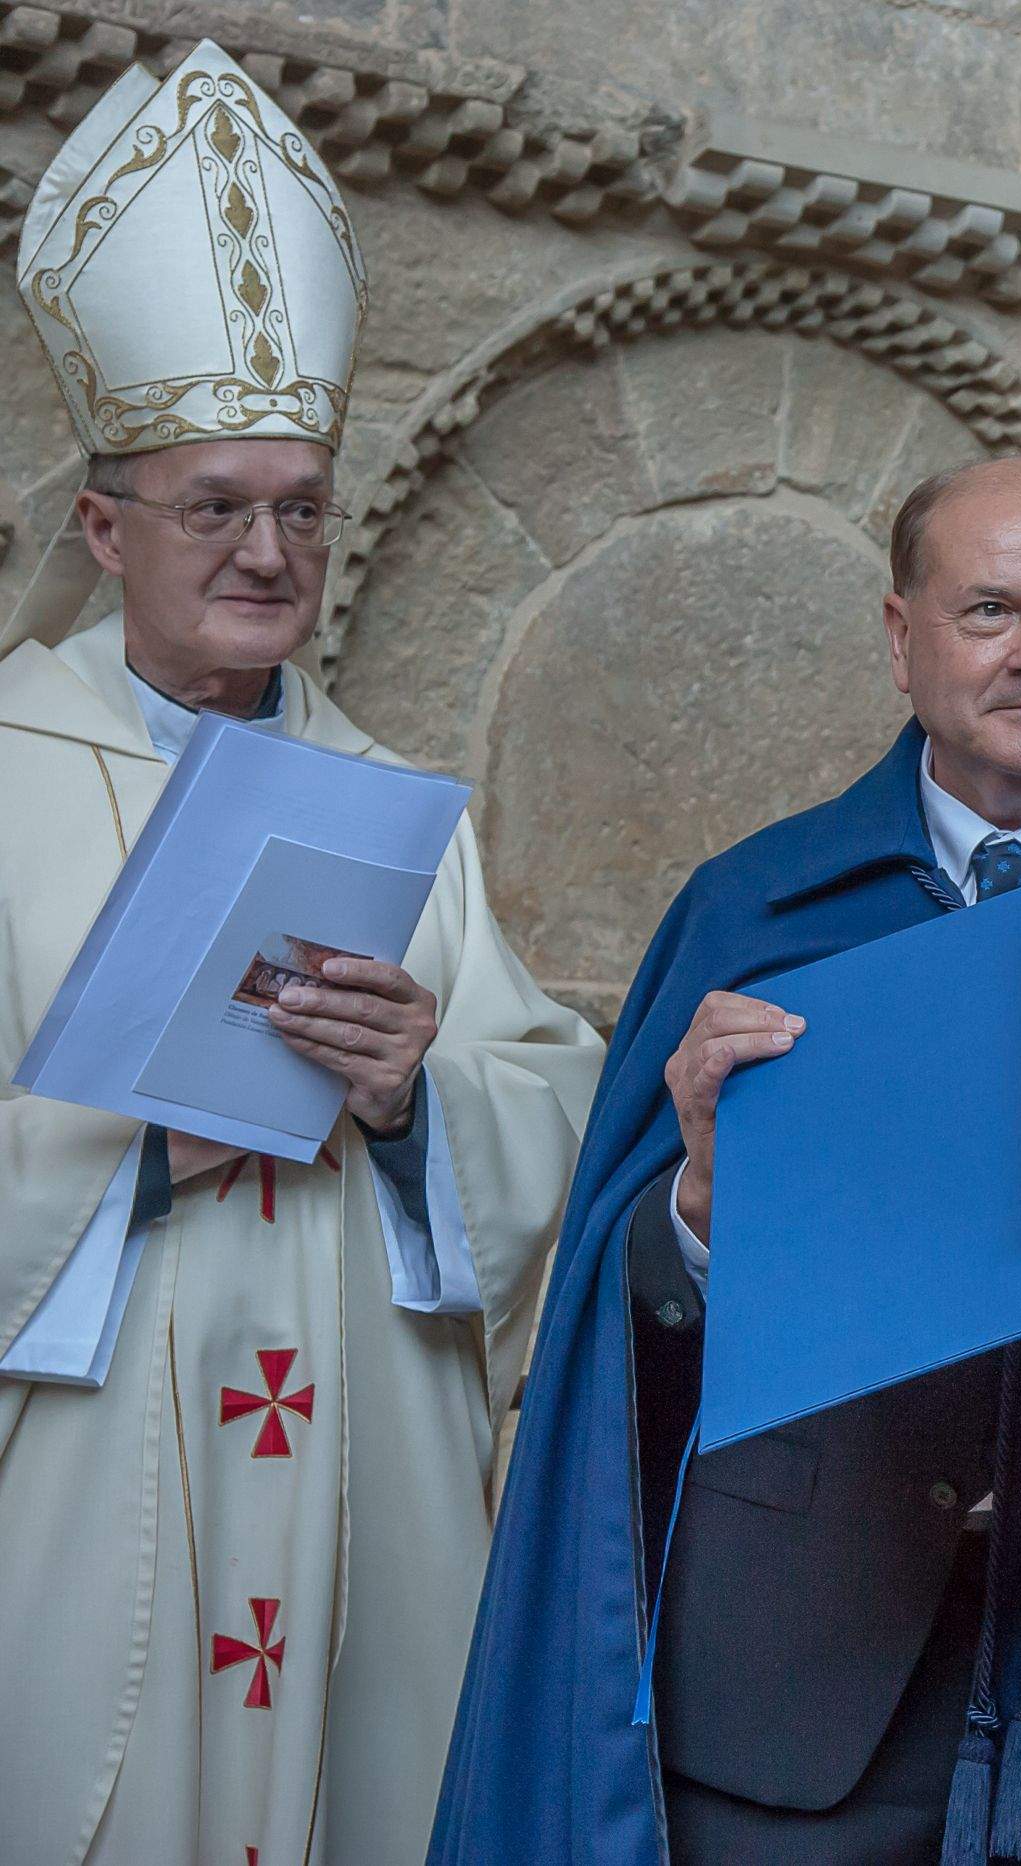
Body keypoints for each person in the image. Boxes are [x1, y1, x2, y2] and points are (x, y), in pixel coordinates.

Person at [436, 453, 1021, 1866]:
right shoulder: (757, 906)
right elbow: (623, 1311)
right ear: (900, 636)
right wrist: (695, 1213)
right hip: (795, 1687)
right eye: (990, 608)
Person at [0, 43, 604, 1866]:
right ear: (107, 530)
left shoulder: (386, 796)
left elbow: (544, 1089)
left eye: (304, 506)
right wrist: (124, 1177)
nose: (271, 552)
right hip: (93, 1458)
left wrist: (424, 1098)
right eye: (216, 507)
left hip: (360, 1454)